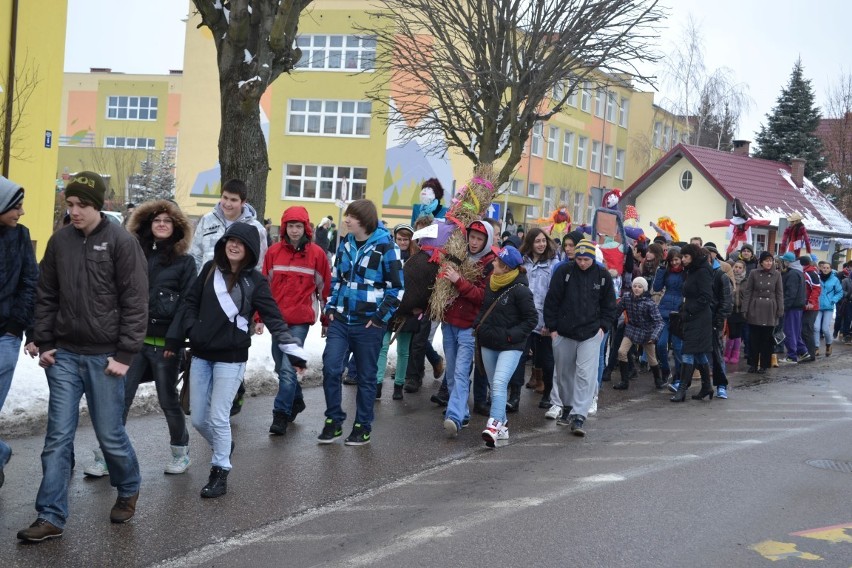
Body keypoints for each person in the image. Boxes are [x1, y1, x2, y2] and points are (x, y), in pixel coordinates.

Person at [19, 172, 148, 542]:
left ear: (99, 206)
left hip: (105, 356)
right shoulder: (60, 242)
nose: (74, 211)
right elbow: (46, 295)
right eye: (70, 205)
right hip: (64, 356)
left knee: (109, 434)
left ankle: (128, 486)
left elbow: (136, 301)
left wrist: (125, 353)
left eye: (81, 205)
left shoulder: (122, 243)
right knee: (57, 438)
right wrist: (44, 342)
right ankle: (51, 516)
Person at [182, 223, 307, 498]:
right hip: (201, 356)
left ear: (249, 249)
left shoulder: (257, 282)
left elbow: (274, 318)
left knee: (218, 416)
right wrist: (192, 329)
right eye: (230, 240)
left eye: (240, 242)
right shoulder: (209, 270)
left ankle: (220, 470)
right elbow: (190, 303)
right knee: (200, 420)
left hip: (231, 357)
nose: (234, 245)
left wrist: (293, 350)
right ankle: (223, 446)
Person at [117, 200, 196, 475]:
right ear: (147, 225)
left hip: (165, 346)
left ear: (176, 227)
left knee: (167, 400)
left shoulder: (185, 263)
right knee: (120, 398)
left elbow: (188, 304)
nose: (161, 224)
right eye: (156, 220)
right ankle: (110, 454)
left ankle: (180, 451)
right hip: (133, 343)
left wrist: (175, 341)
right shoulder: (134, 256)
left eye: (167, 221)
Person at [319, 200, 403, 446]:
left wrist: (379, 318)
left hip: (369, 325)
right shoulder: (345, 244)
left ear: (363, 221)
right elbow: (337, 280)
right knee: (331, 368)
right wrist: (331, 307)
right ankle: (334, 420)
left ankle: (362, 426)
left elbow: (397, 288)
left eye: (350, 217)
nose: (346, 220)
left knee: (366, 378)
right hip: (341, 320)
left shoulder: (387, 246)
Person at [261, 206, 331, 435]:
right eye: (290, 226)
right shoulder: (273, 253)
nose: (294, 230)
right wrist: (259, 316)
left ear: (306, 228)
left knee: (289, 368)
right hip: (277, 320)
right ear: (284, 228)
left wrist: (326, 320)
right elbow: (263, 288)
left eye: (298, 226)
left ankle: (280, 415)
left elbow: (324, 290)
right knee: (281, 365)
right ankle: (296, 400)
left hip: (300, 320)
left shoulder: (317, 255)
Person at [544, 239, 617, 436]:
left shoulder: (602, 276)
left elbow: (610, 305)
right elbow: (552, 300)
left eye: (586, 259)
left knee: (585, 374)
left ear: (593, 258)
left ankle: (579, 415)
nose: (582, 263)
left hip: (591, 333)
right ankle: (567, 406)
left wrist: (603, 326)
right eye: (579, 258)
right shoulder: (564, 272)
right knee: (564, 373)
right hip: (564, 332)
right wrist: (553, 329)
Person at [472, 246, 537, 447]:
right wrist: (478, 326)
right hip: (489, 342)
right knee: (495, 386)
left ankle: (493, 426)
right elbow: (484, 309)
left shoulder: (521, 290)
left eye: (497, 261)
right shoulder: (492, 283)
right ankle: (503, 426)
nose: (493, 262)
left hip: (510, 346)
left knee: (499, 383)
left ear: (506, 267)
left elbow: (531, 319)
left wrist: (511, 337)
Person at [0, 177, 38, 491]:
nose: (21, 213)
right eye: (16, 207)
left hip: (5, 337)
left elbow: (30, 284)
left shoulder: (21, 237)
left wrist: (18, 327)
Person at [441, 220, 496, 436]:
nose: (474, 242)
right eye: (472, 237)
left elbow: (483, 297)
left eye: (479, 239)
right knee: (452, 373)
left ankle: (453, 416)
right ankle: (462, 413)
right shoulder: (459, 255)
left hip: (469, 327)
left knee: (462, 371)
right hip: (449, 323)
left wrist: (458, 281)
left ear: (487, 240)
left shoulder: (490, 264)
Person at [512, 228, 559, 412]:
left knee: (546, 360)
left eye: (543, 241)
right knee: (519, 357)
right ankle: (515, 396)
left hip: (544, 320)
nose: (541, 244)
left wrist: (550, 321)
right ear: (530, 243)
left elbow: (555, 295)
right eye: (537, 241)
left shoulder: (554, 264)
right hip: (523, 319)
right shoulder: (522, 262)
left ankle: (548, 393)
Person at [375, 224, 420, 400]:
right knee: (383, 346)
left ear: (411, 240)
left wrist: (418, 306)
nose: (402, 242)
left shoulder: (416, 259)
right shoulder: (387, 255)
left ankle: (398, 385)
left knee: (403, 350)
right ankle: (377, 383)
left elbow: (421, 286)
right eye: (399, 238)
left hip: (408, 309)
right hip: (389, 306)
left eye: (406, 239)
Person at [188, 178, 268, 274]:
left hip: (237, 284)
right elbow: (195, 255)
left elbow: (260, 265)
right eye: (225, 198)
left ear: (243, 202)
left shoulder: (256, 228)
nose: (227, 204)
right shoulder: (207, 220)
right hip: (206, 282)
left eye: (233, 200)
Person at [670, 244, 714, 402]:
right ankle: (707, 386)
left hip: (699, 318)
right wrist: (684, 308)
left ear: (693, 257)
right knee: (699, 352)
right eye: (682, 257)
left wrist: (689, 311)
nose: (682, 260)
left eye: (685, 257)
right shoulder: (692, 270)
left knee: (688, 351)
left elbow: (706, 297)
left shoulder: (702, 271)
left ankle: (682, 389)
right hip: (691, 315)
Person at [613, 277, 665, 390]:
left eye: (640, 287)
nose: (637, 289)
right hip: (631, 329)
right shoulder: (626, 297)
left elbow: (660, 322)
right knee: (621, 351)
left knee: (652, 358)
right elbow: (616, 311)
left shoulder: (649, 303)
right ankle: (624, 381)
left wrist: (654, 336)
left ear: (644, 289)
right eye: (635, 286)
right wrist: (606, 321)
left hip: (647, 332)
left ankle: (658, 380)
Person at [742, 251, 784, 374]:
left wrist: (780, 309)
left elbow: (779, 293)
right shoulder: (754, 273)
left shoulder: (777, 274)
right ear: (761, 262)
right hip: (755, 307)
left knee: (766, 340)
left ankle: (764, 365)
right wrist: (745, 308)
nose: (769, 263)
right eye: (766, 260)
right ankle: (753, 364)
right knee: (753, 339)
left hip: (770, 308)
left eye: (771, 260)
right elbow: (748, 291)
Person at [705, 242, 733, 399]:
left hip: (715, 319)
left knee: (717, 353)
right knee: (692, 352)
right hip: (700, 320)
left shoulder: (720, 275)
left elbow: (727, 301)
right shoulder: (698, 274)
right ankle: (682, 382)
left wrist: (719, 319)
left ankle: (721, 385)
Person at [653, 249, 685, 388]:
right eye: (672, 260)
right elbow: (656, 287)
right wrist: (660, 270)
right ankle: (666, 370)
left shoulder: (687, 273)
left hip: (679, 311)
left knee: (678, 347)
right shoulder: (666, 271)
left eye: (677, 260)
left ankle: (678, 377)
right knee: (660, 344)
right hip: (664, 309)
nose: (674, 262)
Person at [779, 252, 809, 363]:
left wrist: (784, 307)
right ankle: (803, 351)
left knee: (790, 331)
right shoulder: (799, 272)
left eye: (783, 260)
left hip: (792, 307)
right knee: (795, 331)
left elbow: (790, 293)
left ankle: (791, 356)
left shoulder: (792, 274)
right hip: (797, 307)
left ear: (787, 262)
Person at [724, 260, 748, 373]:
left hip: (741, 311)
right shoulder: (729, 279)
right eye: (736, 267)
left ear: (743, 269)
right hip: (731, 310)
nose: (737, 269)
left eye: (740, 268)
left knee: (738, 333)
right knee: (730, 333)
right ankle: (727, 353)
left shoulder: (746, 281)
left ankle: (735, 354)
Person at [815, 260, 843, 356]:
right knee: (816, 327)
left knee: (825, 328)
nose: (825, 269)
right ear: (821, 268)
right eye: (824, 268)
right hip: (818, 306)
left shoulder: (835, 279)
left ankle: (828, 344)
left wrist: (833, 300)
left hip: (828, 307)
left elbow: (840, 292)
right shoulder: (817, 278)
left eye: (827, 268)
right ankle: (816, 347)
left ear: (830, 269)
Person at [799, 255, 821, 362]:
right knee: (804, 330)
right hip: (806, 306)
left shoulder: (810, 273)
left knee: (807, 330)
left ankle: (810, 354)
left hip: (811, 307)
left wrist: (811, 302)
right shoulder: (808, 272)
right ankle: (807, 353)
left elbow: (816, 289)